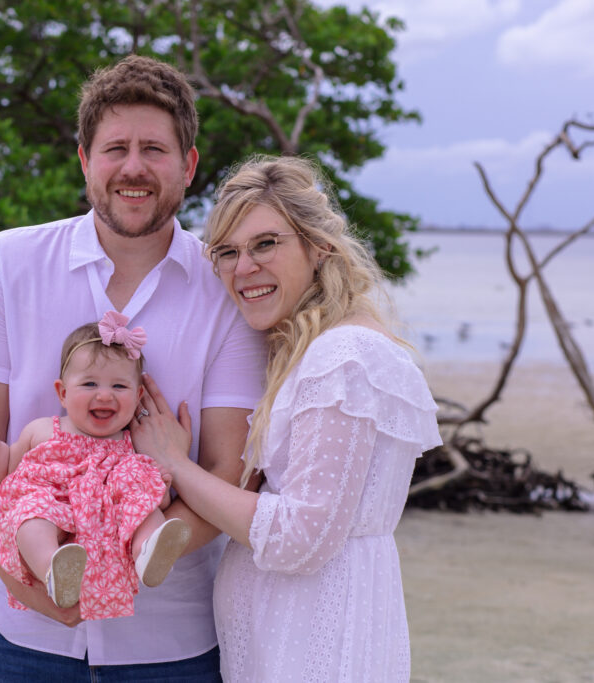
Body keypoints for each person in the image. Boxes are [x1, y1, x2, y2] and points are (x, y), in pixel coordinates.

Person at [0, 54, 265, 680]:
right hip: (9, 627)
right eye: (115, 148)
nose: (133, 168)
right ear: (85, 160)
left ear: (188, 166)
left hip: (169, 637)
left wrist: (126, 561)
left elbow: (232, 469)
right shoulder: (3, 264)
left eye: (154, 149)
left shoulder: (227, 290)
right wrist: (28, 582)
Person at [132, 155, 443, 681]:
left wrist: (174, 463)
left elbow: (301, 537)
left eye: (266, 244)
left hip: (311, 648)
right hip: (290, 642)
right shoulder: (315, 352)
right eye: (227, 253)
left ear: (318, 246)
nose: (243, 268)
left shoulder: (340, 359)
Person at [0, 312, 191, 620]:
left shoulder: (133, 444)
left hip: (105, 515)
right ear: (63, 393)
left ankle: (148, 552)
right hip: (54, 506)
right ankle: (52, 569)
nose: (105, 394)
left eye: (120, 386)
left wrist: (159, 487)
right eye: (90, 383)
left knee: (142, 497)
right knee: (31, 515)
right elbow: (3, 467)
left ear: (138, 397)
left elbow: (153, 500)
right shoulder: (43, 430)